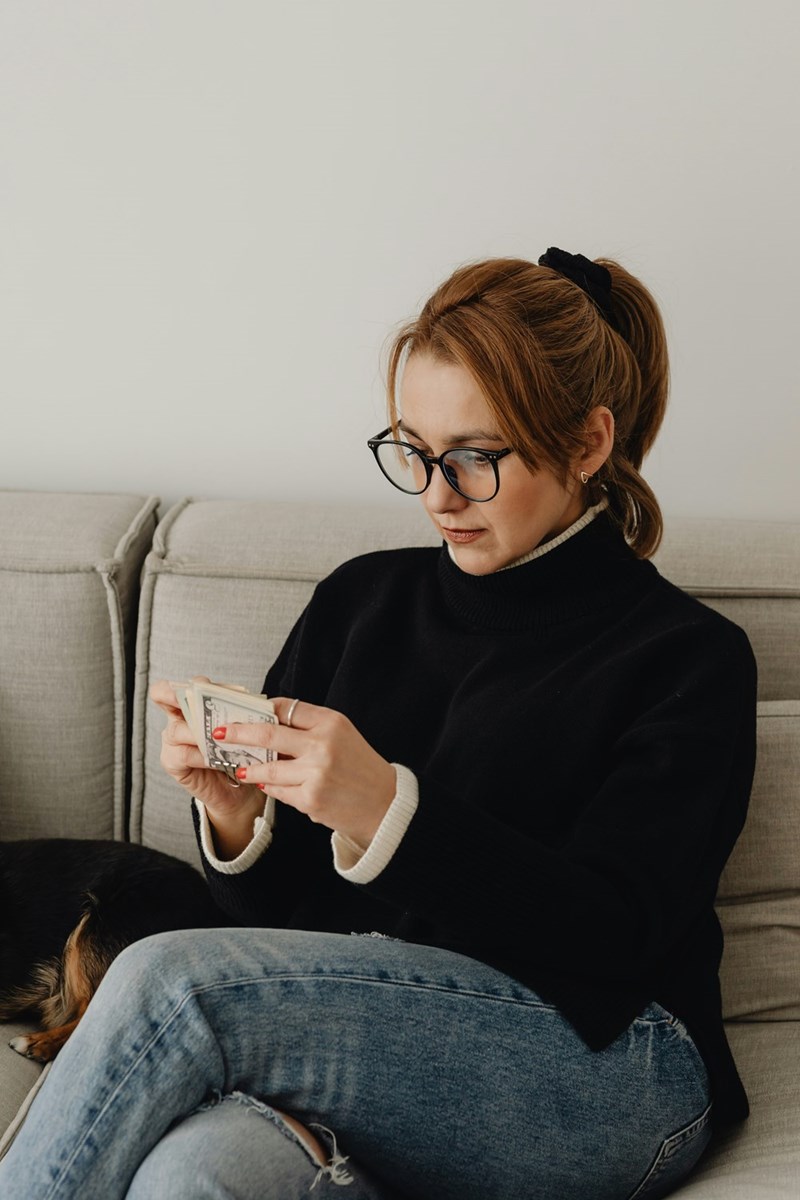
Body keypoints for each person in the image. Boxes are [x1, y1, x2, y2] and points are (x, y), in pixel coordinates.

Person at [0, 248, 757, 1200]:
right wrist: (239, 822)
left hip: (610, 1061)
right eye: (413, 450)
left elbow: (613, 935)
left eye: (476, 457)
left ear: (587, 443)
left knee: (170, 982)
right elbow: (279, 940)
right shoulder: (361, 602)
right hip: (379, 1060)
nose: (437, 494)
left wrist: (389, 809)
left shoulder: (687, 656)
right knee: (194, 1176)